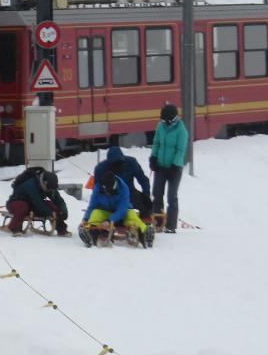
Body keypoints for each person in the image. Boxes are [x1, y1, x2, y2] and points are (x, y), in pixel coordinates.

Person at [79, 171, 153, 248]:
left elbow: (122, 209)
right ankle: (90, 235)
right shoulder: (98, 188)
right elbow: (92, 206)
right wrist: (85, 218)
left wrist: (110, 220)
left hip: (123, 214)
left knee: (132, 215)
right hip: (106, 213)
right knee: (95, 213)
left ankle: (145, 233)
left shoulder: (123, 188)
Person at [150, 103, 189, 232]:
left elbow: (180, 150)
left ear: (172, 119)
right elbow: (156, 142)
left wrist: (175, 165)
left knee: (171, 196)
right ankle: (158, 222)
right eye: (162, 120)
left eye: (165, 120)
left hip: (174, 169)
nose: (163, 122)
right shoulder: (160, 126)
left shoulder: (181, 131)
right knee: (157, 193)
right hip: (161, 166)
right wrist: (153, 157)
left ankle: (171, 226)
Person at [92, 145, 152, 219]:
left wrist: (146, 195)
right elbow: (97, 189)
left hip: (130, 194)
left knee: (144, 204)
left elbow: (143, 180)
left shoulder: (131, 163)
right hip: (109, 196)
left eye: (119, 164)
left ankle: (143, 220)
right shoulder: (100, 168)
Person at [6, 166, 69, 235]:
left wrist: (63, 211)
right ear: (44, 183)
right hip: (16, 203)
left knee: (52, 205)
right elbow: (38, 203)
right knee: (23, 206)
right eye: (49, 189)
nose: (50, 191)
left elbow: (58, 200)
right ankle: (15, 228)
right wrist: (51, 213)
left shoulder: (49, 186)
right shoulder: (30, 184)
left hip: (32, 205)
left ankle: (61, 229)